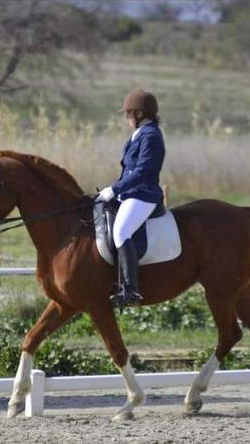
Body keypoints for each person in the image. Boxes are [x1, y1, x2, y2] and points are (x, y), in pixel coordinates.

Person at [97, 89, 166, 307]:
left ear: (139, 113)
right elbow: (128, 170)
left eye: (128, 114)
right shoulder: (138, 135)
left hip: (143, 195)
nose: (126, 118)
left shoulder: (151, 136)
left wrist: (114, 189)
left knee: (121, 232)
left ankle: (131, 290)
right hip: (130, 193)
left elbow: (142, 172)